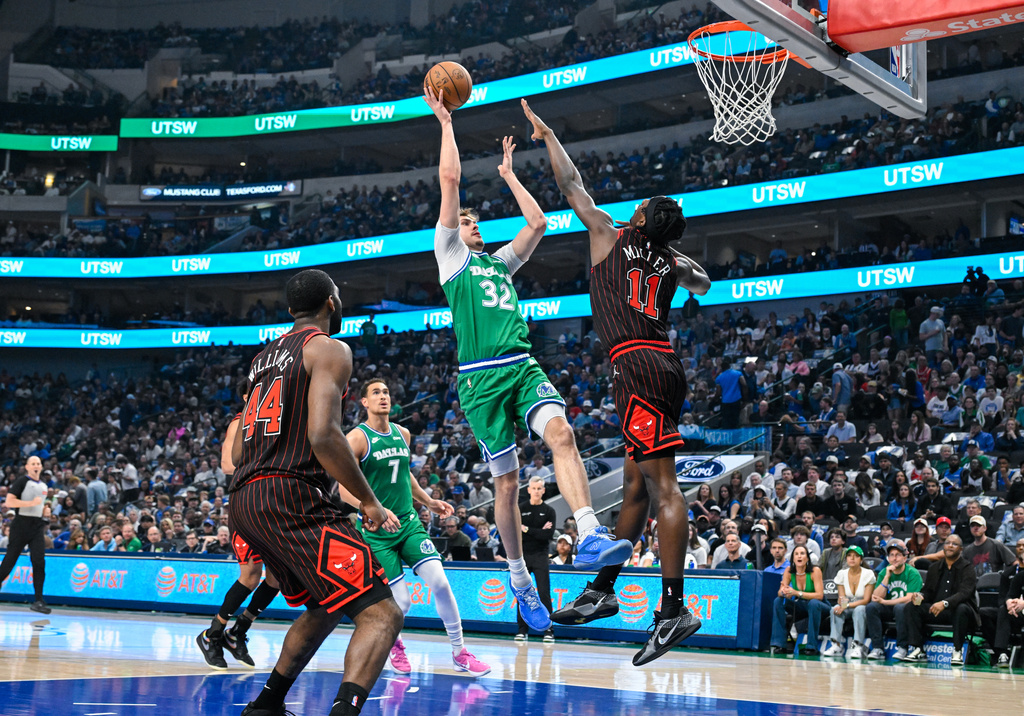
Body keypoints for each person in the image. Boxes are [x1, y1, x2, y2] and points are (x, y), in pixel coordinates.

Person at [424, 88, 631, 635]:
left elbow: (537, 224)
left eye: (473, 224)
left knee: (562, 434)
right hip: (479, 381)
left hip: (520, 365)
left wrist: (511, 174)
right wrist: (446, 123)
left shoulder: (498, 265)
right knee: (509, 485)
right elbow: (450, 183)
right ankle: (518, 577)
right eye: (468, 224)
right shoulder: (452, 260)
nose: (475, 227)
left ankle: (588, 533)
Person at [523, 98, 708, 665]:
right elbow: (701, 281)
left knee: (664, 489)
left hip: (636, 365)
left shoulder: (609, 232)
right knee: (633, 489)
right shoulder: (667, 259)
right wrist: (668, 252)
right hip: (664, 363)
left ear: (639, 217)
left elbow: (571, 182)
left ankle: (674, 608)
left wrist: (550, 133)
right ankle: (603, 590)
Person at [227, 269, 403, 716]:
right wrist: (367, 499)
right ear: (330, 302)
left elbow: (235, 449)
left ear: (291, 311)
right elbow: (324, 435)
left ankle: (266, 706)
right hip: (289, 495)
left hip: (245, 496)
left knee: (328, 604)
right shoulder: (328, 348)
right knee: (383, 614)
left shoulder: (262, 359)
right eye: (339, 297)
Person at [340, 378, 490, 676]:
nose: (383, 396)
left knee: (441, 582)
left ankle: (460, 652)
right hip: (377, 533)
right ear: (365, 403)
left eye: (386, 391)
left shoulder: (403, 434)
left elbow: (404, 474)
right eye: (376, 393)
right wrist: (371, 509)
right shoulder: (356, 438)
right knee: (402, 604)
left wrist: (428, 502)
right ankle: (395, 644)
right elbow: (343, 488)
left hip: (408, 524)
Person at [197, 383, 282, 670]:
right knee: (250, 575)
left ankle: (238, 631)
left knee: (278, 578)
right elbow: (226, 465)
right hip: (246, 503)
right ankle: (212, 634)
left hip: (271, 506)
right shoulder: (239, 423)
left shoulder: (274, 424)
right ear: (247, 397)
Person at [897, 535, 978, 665]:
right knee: (911, 607)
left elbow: (965, 593)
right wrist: (921, 596)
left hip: (958, 612)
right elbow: (929, 591)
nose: (950, 545)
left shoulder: (968, 568)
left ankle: (957, 650)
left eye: (954, 544)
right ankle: (917, 649)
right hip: (936, 610)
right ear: (943, 547)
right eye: (948, 543)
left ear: (961, 549)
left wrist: (945, 603)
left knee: (961, 608)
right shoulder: (934, 568)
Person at [0, 456, 52, 614]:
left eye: (39, 463)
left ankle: (39, 600)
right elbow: (9, 502)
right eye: (33, 463)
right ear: (28, 467)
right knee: (10, 560)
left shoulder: (44, 485)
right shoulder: (22, 481)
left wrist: (44, 510)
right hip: (20, 524)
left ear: (41, 467)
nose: (36, 465)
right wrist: (30, 504)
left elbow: (39, 504)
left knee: (39, 561)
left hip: (37, 526)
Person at [865, 540, 923, 660]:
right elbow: (876, 597)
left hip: (905, 608)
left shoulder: (913, 573)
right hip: (888, 608)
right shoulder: (884, 572)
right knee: (871, 607)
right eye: (891, 555)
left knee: (900, 607)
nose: (894, 558)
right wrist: (886, 577)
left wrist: (886, 602)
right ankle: (877, 648)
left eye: (898, 555)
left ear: (904, 558)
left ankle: (902, 648)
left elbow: (908, 599)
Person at [516, 476, 557, 641]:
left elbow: (547, 535)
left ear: (544, 490)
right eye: (534, 488)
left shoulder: (549, 511)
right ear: (528, 490)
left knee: (544, 594)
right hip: (523, 556)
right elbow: (516, 532)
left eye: (539, 488)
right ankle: (521, 630)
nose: (536, 491)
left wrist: (525, 529)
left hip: (540, 556)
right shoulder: (520, 508)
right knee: (522, 595)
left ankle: (548, 630)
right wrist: (535, 530)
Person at [769, 544, 830, 655]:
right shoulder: (788, 571)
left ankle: (812, 646)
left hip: (820, 606)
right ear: (793, 558)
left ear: (807, 558)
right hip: (801, 606)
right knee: (777, 601)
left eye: (802, 554)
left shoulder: (815, 571)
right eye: (796, 554)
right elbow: (779, 592)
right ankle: (779, 644)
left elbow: (819, 595)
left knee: (813, 603)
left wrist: (796, 593)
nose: (799, 556)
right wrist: (784, 592)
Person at [822, 546, 875, 658]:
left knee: (859, 610)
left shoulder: (868, 574)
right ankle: (836, 645)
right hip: (848, 605)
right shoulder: (841, 574)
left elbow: (866, 600)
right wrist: (842, 605)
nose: (852, 558)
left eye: (856, 556)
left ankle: (858, 646)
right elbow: (841, 598)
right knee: (834, 609)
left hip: (862, 605)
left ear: (861, 559)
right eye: (849, 556)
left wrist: (847, 605)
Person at [980, 538, 1024, 667]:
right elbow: (1004, 596)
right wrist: (1009, 603)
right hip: (1012, 612)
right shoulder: (1010, 573)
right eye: (1019, 545)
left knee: (1003, 611)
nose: (1021, 548)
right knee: (985, 613)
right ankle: (1001, 653)